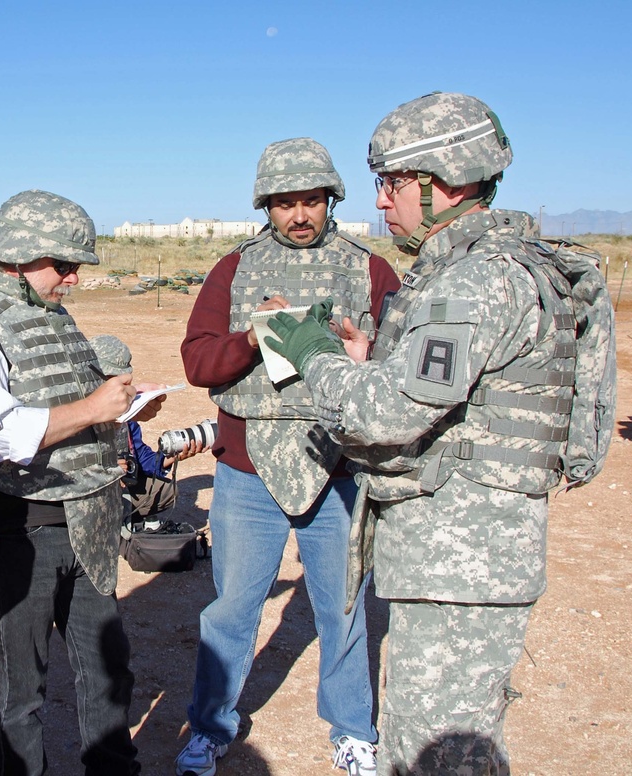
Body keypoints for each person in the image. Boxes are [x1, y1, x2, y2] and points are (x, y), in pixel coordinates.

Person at [264, 92, 605, 774]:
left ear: (442, 181)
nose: (382, 202)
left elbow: (385, 415)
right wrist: (367, 362)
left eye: (391, 184)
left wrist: (312, 353)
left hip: (459, 566)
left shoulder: (475, 283)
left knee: (434, 754)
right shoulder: (488, 269)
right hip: (464, 562)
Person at [176, 137, 401, 776]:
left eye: (311, 201)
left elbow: (401, 370)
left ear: (330, 200)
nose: (300, 215)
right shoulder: (234, 268)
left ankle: (354, 730)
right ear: (266, 205)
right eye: (285, 203)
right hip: (248, 468)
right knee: (232, 609)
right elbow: (197, 361)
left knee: (346, 606)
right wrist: (251, 336)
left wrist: (367, 348)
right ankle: (208, 728)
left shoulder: (369, 270)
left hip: (337, 465)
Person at [0, 190, 163, 776]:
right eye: (63, 265)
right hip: (15, 531)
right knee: (20, 685)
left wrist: (124, 412)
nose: (74, 278)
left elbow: (62, 402)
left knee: (108, 668)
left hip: (87, 519)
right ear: (17, 256)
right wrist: (93, 407)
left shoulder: (49, 311)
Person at [88, 334, 207, 523]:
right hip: (84, 490)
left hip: (120, 488)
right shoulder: (75, 409)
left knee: (167, 492)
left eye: (123, 379)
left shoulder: (126, 411)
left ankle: (118, 519)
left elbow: (143, 460)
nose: (120, 385)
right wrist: (106, 470)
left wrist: (174, 455)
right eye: (111, 378)